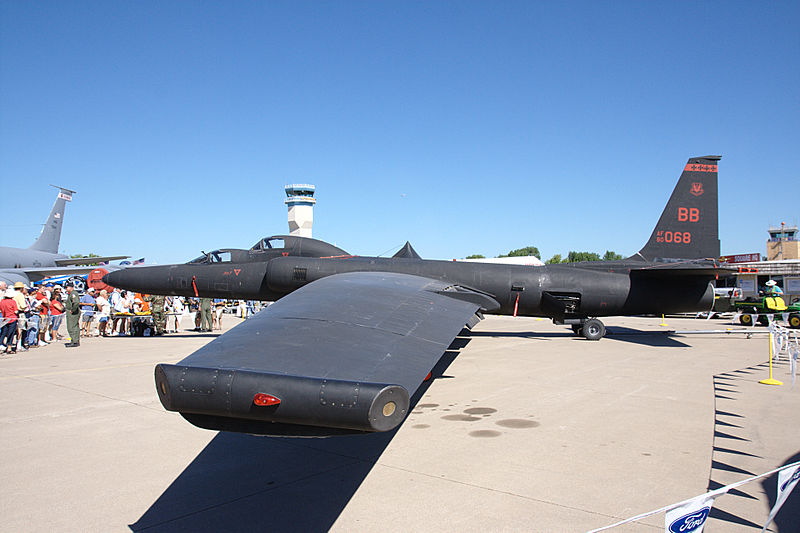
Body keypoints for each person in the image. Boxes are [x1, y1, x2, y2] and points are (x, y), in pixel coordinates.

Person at [1, 289, 19, 354]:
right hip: (12, 318)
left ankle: (1, 345)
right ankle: (9, 347)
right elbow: (15, 311)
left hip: (5, 318)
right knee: (11, 333)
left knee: (3, 333)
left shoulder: (2, 301)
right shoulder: (12, 301)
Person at [64, 282, 81, 347]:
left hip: (73, 312)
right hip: (73, 311)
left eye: (67, 287)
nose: (66, 289)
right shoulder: (71, 293)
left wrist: (72, 310)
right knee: (74, 326)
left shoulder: (73, 293)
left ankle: (74, 341)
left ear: (70, 287)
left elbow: (76, 302)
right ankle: (75, 340)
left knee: (71, 327)